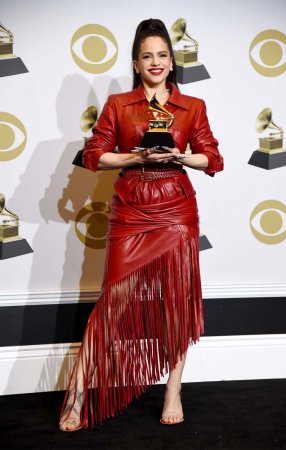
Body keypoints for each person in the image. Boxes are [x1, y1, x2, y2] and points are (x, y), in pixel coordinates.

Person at [59, 18, 223, 431]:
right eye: (147, 55)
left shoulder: (194, 107)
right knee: (111, 306)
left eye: (162, 55)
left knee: (176, 306)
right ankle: (77, 394)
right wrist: (136, 157)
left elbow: (213, 159)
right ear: (136, 63)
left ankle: (173, 390)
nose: (155, 62)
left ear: (171, 62)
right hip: (131, 209)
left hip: (176, 210)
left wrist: (181, 156)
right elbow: (96, 155)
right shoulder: (118, 105)